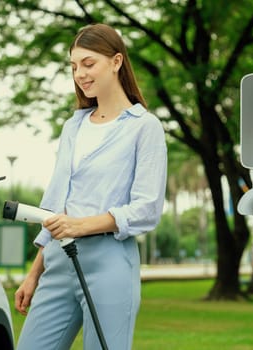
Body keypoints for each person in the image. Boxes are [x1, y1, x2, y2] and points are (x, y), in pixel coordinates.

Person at [14, 23, 167, 350]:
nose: (79, 74)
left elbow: (147, 208)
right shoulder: (73, 126)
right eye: (73, 67)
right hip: (57, 261)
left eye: (88, 63)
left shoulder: (144, 128)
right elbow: (54, 204)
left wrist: (80, 225)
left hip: (109, 263)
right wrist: (33, 273)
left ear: (116, 62)